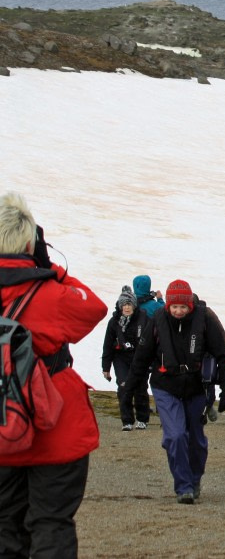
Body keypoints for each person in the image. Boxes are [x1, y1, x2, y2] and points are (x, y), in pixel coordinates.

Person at [0, 192, 108, 557]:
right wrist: (49, 267)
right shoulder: (50, 293)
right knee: (51, 523)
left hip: (2, 426)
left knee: (3, 528)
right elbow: (93, 308)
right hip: (55, 426)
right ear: (30, 242)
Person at [127, 279, 225, 504]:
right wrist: (129, 389)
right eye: (174, 307)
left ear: (190, 305)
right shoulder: (157, 320)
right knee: (175, 436)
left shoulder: (205, 319)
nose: (178, 311)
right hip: (165, 386)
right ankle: (183, 486)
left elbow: (223, 354)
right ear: (168, 305)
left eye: (183, 307)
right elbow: (141, 356)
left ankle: (195, 480)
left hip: (196, 387)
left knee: (196, 440)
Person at [100, 286, 151, 431]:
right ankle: (127, 421)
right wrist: (106, 367)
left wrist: (152, 363)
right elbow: (107, 345)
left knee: (140, 388)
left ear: (134, 305)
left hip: (140, 358)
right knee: (123, 387)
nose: (127, 307)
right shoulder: (113, 322)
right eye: (124, 305)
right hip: (121, 358)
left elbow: (152, 342)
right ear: (120, 306)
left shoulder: (143, 318)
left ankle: (142, 419)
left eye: (129, 304)